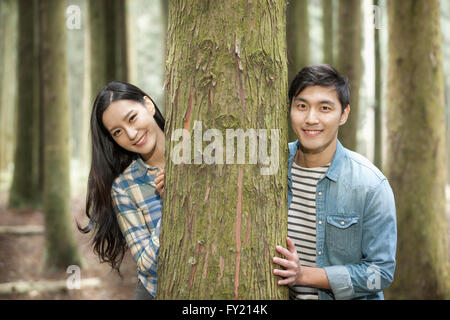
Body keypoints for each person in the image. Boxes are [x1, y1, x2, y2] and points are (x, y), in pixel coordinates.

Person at [272, 64, 397, 300]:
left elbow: (380, 274)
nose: (311, 119)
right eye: (301, 106)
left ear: (344, 114)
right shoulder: (270, 168)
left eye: (325, 108)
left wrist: (305, 275)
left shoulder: (370, 185)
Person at [79, 81, 166, 300]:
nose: (131, 133)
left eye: (132, 118)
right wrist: (172, 206)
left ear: (148, 105)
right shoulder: (124, 188)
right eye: (118, 131)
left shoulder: (200, 152)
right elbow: (148, 265)